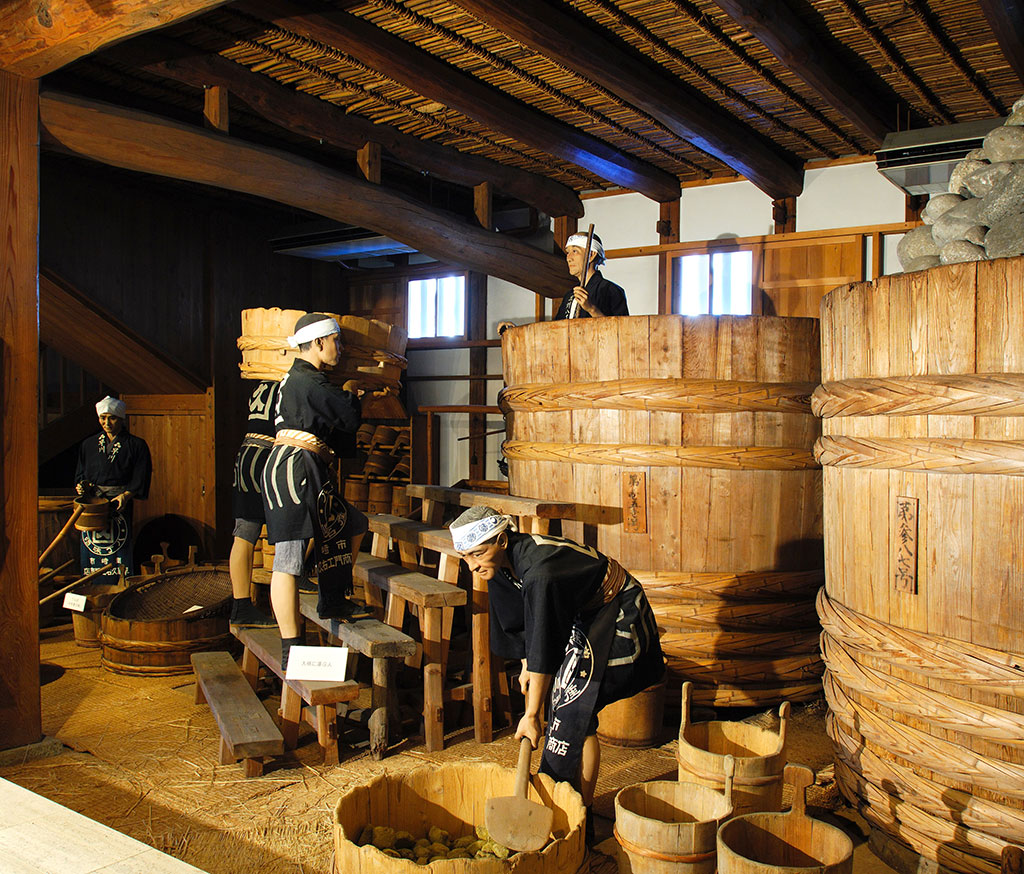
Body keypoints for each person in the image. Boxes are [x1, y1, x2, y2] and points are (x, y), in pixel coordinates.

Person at [451, 506, 664, 839]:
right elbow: (522, 622)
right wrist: (525, 665)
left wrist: (532, 714)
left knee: (574, 706)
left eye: (477, 554)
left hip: (616, 605)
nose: (473, 565)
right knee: (561, 695)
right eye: (465, 557)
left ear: (502, 540)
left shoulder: (539, 573)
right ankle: (574, 803)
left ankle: (583, 813)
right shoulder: (497, 565)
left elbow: (544, 642)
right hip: (581, 612)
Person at [261, 313, 369, 669]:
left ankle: (333, 597)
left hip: (305, 467)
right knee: (288, 560)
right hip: (294, 470)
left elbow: (336, 431)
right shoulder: (308, 382)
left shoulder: (299, 380)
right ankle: (291, 646)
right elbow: (348, 418)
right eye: (337, 341)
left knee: (352, 524)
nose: (340, 348)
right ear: (320, 342)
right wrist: (352, 391)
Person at [74, 396, 152, 578]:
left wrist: (126, 495)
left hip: (119, 503)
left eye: (112, 418)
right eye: (103, 418)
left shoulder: (136, 445)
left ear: (121, 419)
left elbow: (141, 474)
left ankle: (120, 582)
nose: (106, 423)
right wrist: (81, 486)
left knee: (119, 545)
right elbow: (81, 474)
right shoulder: (88, 444)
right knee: (92, 547)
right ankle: (91, 582)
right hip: (93, 504)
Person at [228, 379, 281, 628]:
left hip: (247, 452)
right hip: (265, 456)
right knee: (300, 520)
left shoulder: (261, 381)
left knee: (244, 533)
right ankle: (242, 606)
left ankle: (241, 604)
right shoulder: (287, 381)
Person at [555, 231, 629, 320]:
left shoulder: (611, 291)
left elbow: (621, 331)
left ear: (591, 255)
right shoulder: (570, 295)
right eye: (568, 252)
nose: (569, 258)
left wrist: (592, 309)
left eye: (575, 251)